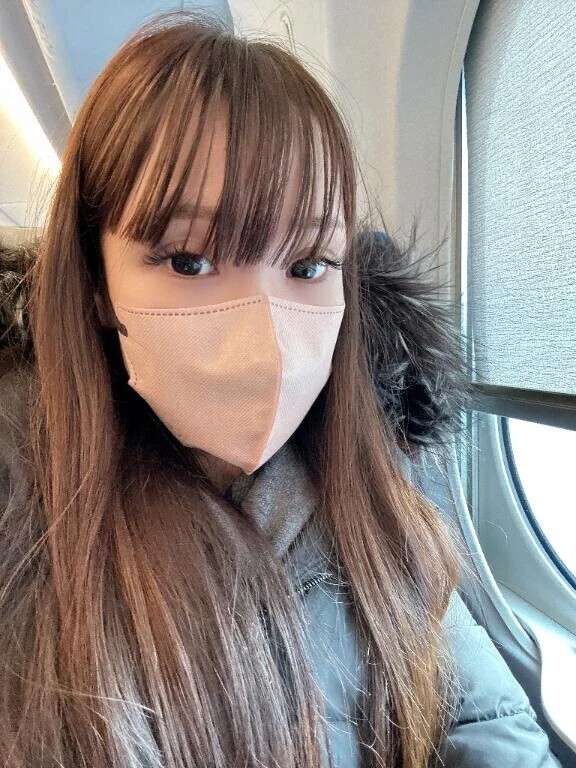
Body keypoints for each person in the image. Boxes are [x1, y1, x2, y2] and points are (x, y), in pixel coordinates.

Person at [0, 10, 563, 768]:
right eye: (189, 260)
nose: (262, 331)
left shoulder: (382, 495)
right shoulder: (27, 529)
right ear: (96, 282)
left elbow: (487, 723)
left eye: (306, 266)